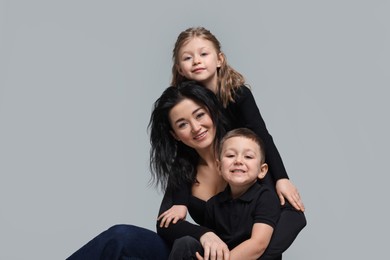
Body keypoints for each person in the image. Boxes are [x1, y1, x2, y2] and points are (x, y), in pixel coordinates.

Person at [158, 27, 306, 259]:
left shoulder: (237, 95)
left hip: (247, 160)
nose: (197, 61)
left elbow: (262, 135)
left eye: (203, 54)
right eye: (188, 58)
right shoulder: (182, 107)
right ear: (180, 68)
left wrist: (282, 178)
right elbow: (168, 221)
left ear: (219, 59)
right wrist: (180, 203)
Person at [66, 82, 230, 259]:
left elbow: (262, 233)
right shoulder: (183, 167)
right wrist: (205, 234)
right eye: (182, 124)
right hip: (198, 249)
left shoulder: (246, 154)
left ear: (212, 112)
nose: (196, 127)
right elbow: (165, 224)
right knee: (120, 236)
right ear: (175, 134)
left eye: (199, 115)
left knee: (186, 244)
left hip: (238, 254)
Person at [169, 128, 281, 260]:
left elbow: (258, 244)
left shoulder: (265, 197)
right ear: (219, 167)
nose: (238, 161)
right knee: (185, 244)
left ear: (262, 170)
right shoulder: (213, 204)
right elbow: (213, 244)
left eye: (248, 156)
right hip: (223, 256)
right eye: (230, 155)